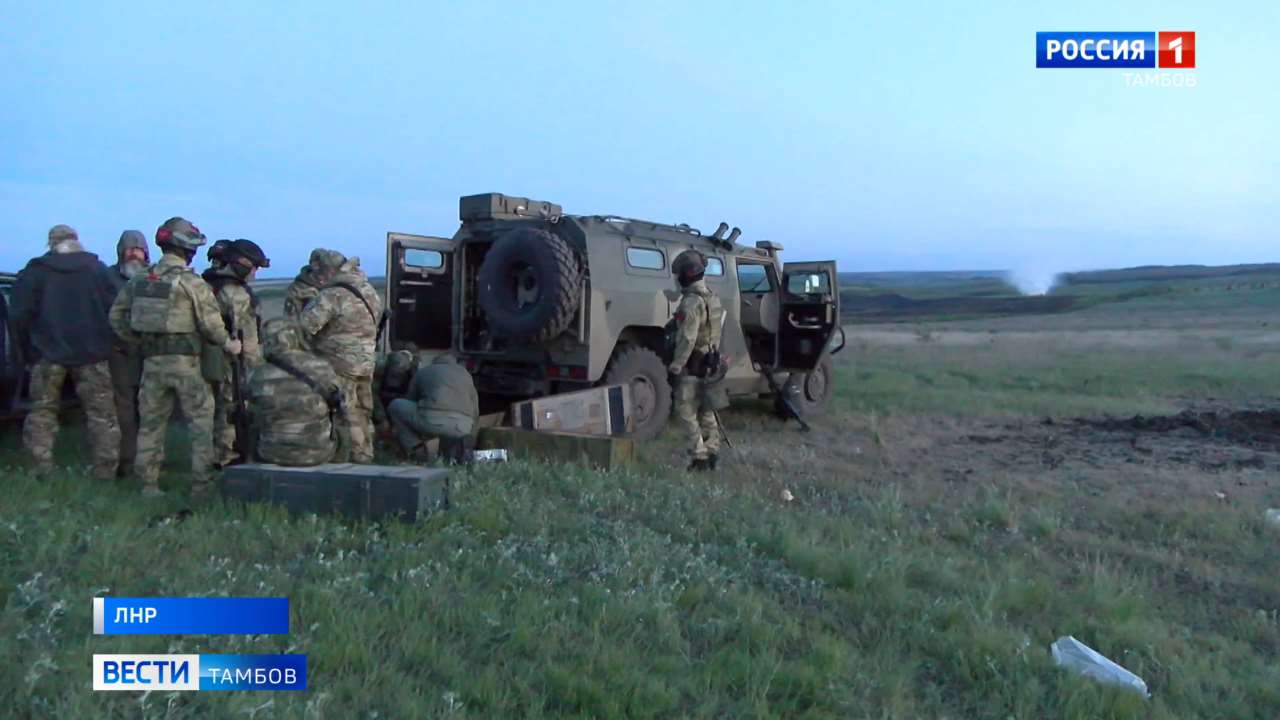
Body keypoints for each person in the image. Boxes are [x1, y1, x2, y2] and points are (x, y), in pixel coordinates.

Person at [108, 217, 242, 497]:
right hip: (187, 366)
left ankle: (148, 485)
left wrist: (138, 341)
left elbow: (117, 317)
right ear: (189, 250)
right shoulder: (191, 282)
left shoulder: (141, 279)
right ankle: (201, 486)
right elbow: (210, 326)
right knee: (200, 426)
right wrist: (231, 346)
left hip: (152, 364)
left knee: (151, 426)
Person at [10, 225, 121, 479]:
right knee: (102, 414)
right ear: (76, 241)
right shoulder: (97, 270)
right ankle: (105, 470)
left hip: (47, 354)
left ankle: (40, 468)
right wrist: (109, 344)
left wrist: (27, 350)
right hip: (94, 354)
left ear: (51, 244)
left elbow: (18, 314)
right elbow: (116, 310)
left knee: (41, 412)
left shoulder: (35, 272)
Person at [297, 250, 382, 463]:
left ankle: (350, 459)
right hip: (366, 362)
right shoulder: (369, 290)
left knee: (345, 413)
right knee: (363, 410)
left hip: (339, 364)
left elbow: (304, 326)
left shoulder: (332, 294)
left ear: (329, 271)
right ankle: (366, 452)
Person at [202, 239, 270, 466]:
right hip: (235, 362)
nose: (255, 274)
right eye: (254, 268)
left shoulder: (209, 284)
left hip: (211, 360)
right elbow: (247, 338)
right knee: (231, 410)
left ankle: (222, 455)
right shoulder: (234, 293)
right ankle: (227, 457)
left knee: (220, 409)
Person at [247, 318, 342, 466]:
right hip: (320, 453)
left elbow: (249, 412)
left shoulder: (257, 375)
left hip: (271, 453)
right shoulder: (321, 366)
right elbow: (343, 404)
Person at [666, 249, 728, 471]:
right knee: (707, 409)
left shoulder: (691, 302)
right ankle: (713, 452)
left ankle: (699, 457)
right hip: (711, 363)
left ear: (687, 274)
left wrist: (676, 366)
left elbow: (687, 338)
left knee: (685, 410)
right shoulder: (713, 297)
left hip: (693, 364)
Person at [106, 230, 150, 477]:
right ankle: (126, 461)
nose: (133, 253)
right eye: (128, 248)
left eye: (138, 248)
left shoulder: (155, 277)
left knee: (150, 409)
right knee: (123, 410)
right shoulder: (107, 279)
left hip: (151, 354)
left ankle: (150, 461)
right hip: (120, 353)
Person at [387, 354, 479, 462]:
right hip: (463, 427)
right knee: (450, 429)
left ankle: (417, 449)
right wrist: (471, 434)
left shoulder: (424, 371)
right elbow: (475, 410)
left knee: (396, 406)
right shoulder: (466, 375)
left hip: (432, 421)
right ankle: (457, 453)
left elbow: (410, 399)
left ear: (434, 362)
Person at [373, 349, 419, 438]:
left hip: (401, 401)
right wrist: (381, 418)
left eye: (399, 375)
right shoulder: (380, 367)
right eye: (393, 375)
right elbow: (373, 394)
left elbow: (413, 398)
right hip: (382, 397)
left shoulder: (414, 373)